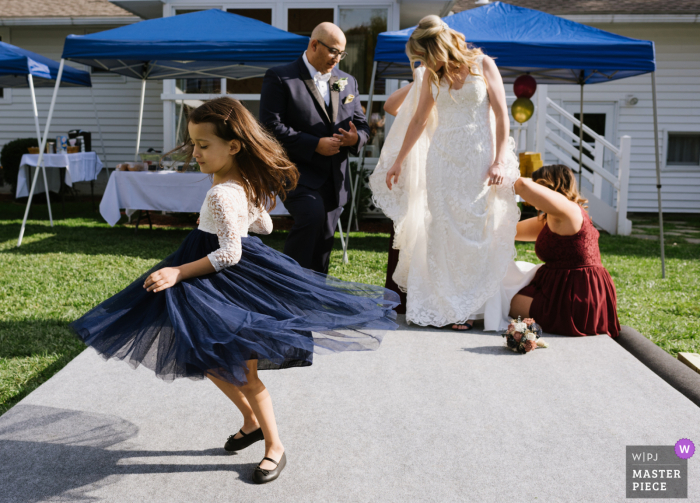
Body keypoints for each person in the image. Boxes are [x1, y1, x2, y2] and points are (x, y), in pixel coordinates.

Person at [70, 97, 399, 485]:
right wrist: (241, 213)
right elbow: (266, 228)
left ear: (234, 146)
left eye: (203, 145)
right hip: (219, 275)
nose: (195, 153)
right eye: (193, 143)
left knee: (243, 372)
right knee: (210, 357)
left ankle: (274, 446)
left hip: (221, 277)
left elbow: (229, 252)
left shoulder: (223, 191)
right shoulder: (235, 182)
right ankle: (250, 421)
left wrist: (178, 271)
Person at [369, 15, 520, 331]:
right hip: (441, 160)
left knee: (476, 226)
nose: (422, 62)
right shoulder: (430, 77)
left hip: (478, 160)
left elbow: (501, 115)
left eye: (423, 55)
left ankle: (472, 304)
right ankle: (448, 307)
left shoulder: (483, 64)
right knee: (442, 228)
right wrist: (398, 161)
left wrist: (498, 160)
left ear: (437, 46)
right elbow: (419, 120)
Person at [259, 22, 370, 274]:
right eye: (333, 51)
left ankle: (315, 298)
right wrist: (314, 145)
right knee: (311, 217)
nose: (337, 58)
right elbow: (269, 127)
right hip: (296, 173)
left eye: (342, 54)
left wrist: (355, 139)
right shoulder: (280, 77)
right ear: (314, 45)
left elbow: (362, 126)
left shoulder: (347, 82)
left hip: (334, 177)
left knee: (324, 240)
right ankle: (287, 286)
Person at [510, 165, 621, 337]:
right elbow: (511, 230)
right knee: (505, 284)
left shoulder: (567, 212)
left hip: (575, 298)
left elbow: (522, 185)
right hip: (564, 290)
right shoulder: (556, 216)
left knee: (500, 297)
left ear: (548, 187)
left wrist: (499, 169)